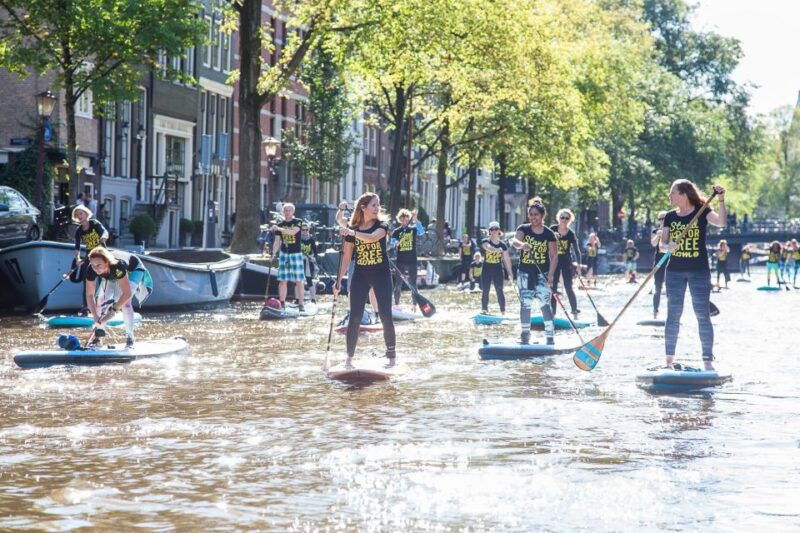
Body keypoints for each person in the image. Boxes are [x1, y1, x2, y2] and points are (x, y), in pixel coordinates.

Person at [660, 180, 726, 371]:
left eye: (672, 193)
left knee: (702, 315)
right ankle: (669, 361)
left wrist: (721, 199)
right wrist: (668, 245)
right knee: (673, 315)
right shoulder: (670, 217)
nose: (669, 196)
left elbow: (721, 222)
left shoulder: (702, 211)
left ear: (683, 194)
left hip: (699, 271)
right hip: (674, 271)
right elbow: (663, 243)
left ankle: (707, 360)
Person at [334, 193, 397, 368]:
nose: (377, 209)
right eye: (374, 205)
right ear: (363, 207)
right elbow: (346, 258)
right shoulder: (353, 229)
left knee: (385, 316)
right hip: (360, 276)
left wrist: (351, 232)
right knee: (354, 317)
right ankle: (349, 358)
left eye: (378, 205)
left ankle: (391, 358)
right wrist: (338, 280)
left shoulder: (382, 225)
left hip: (381, 275)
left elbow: (372, 238)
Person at [84, 247, 152, 348]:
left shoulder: (117, 266)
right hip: (112, 274)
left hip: (133, 270)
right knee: (101, 300)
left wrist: (113, 310)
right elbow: (89, 295)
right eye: (93, 265)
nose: (96, 269)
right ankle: (98, 337)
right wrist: (95, 317)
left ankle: (130, 338)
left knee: (126, 303)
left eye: (99, 265)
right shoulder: (91, 269)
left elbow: (127, 293)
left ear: (106, 262)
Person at [511, 201, 557, 345]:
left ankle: (550, 336)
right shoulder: (523, 229)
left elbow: (554, 256)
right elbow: (515, 241)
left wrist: (550, 275)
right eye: (530, 215)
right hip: (525, 272)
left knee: (544, 303)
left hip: (541, 273)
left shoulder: (549, 234)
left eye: (536, 215)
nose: (533, 217)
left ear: (542, 216)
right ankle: (525, 335)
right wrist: (522, 245)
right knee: (525, 303)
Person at [337, 200, 380, 314]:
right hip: (354, 260)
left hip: (370, 259)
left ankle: (377, 312)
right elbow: (340, 220)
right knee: (352, 288)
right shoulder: (351, 224)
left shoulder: (374, 224)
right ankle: (352, 311)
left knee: (372, 289)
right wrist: (341, 209)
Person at [72, 205, 109, 312]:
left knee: (104, 281)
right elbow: (77, 246)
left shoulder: (94, 223)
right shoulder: (79, 230)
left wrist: (104, 237)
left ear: (86, 214)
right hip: (90, 256)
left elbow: (105, 231)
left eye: (81, 213)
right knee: (86, 282)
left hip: (102, 254)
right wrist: (78, 259)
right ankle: (86, 307)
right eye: (77, 214)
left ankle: (105, 306)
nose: (79, 216)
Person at [270, 203, 306, 311]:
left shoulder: (298, 222)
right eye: (285, 210)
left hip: (296, 254)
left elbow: (292, 232)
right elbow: (277, 241)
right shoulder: (280, 224)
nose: (287, 212)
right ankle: (282, 303)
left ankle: (301, 303)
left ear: (293, 212)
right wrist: (273, 254)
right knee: (282, 280)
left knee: (299, 280)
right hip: (284, 254)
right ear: (283, 212)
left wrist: (279, 229)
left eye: (289, 210)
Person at [549, 209, 581, 320]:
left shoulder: (571, 233)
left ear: (569, 220)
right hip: (554, 262)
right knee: (553, 288)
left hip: (566, 262)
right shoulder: (552, 229)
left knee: (568, 287)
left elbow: (576, 250)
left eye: (566, 218)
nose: (564, 220)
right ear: (558, 218)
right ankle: (552, 313)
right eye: (562, 217)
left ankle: (574, 312)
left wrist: (579, 265)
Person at [391, 208, 424, 309]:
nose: (404, 221)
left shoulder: (413, 229)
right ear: (399, 219)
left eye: (406, 219)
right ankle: (397, 305)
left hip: (412, 260)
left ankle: (414, 304)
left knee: (413, 284)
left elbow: (421, 232)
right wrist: (395, 243)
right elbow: (392, 243)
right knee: (398, 285)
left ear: (408, 219)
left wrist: (416, 219)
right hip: (400, 261)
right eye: (402, 219)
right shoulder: (396, 232)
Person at [480, 221, 514, 314]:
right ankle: (484, 310)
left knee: (499, 291)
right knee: (485, 290)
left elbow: (507, 260)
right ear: (489, 231)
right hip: (486, 269)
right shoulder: (485, 241)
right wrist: (496, 250)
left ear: (499, 231)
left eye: (496, 229)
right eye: (492, 229)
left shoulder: (503, 245)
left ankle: (503, 312)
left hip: (498, 270)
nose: (494, 231)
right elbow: (487, 247)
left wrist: (510, 274)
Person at [650, 211, 667, 319]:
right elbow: (653, 243)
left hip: (670, 260)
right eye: (660, 219)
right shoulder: (655, 231)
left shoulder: (673, 230)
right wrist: (658, 235)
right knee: (657, 288)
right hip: (659, 261)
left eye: (664, 218)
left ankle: (673, 312)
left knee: (671, 288)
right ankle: (655, 311)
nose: (662, 221)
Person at [299, 222, 319, 303]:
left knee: (309, 280)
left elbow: (315, 252)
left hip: (308, 262)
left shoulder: (311, 240)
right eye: (303, 230)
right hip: (300, 261)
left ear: (309, 230)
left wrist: (313, 258)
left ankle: (313, 299)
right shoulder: (298, 240)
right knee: (299, 281)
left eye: (306, 230)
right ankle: (299, 299)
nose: (305, 231)